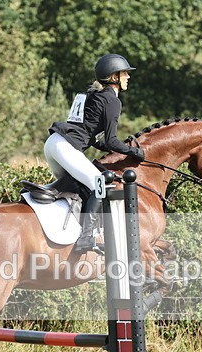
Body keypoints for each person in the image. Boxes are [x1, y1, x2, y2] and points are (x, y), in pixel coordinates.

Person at [44, 53, 145, 253]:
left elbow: (90, 137)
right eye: (125, 73)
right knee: (98, 183)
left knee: (78, 187)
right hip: (65, 147)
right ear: (114, 76)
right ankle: (86, 237)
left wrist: (107, 148)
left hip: (53, 144)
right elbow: (112, 140)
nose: (128, 77)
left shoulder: (89, 95)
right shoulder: (112, 101)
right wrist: (135, 151)